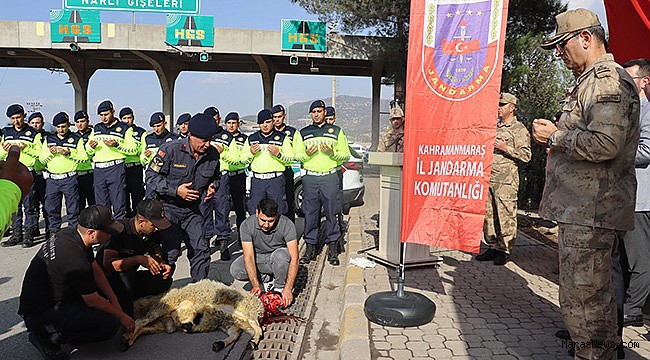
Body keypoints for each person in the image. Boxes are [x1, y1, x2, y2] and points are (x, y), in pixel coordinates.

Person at [532, 8, 640, 359]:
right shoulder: (591, 80)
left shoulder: (607, 80)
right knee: (589, 301)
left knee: (586, 304)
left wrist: (556, 137)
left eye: (562, 46)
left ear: (586, 38)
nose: (560, 55)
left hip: (592, 212)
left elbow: (605, 144)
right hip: (584, 211)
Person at [18, 205, 134, 360]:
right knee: (109, 325)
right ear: (92, 233)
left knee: (108, 283)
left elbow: (95, 268)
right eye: (108, 232)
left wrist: (115, 301)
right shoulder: (75, 260)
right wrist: (120, 316)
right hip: (41, 313)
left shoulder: (71, 234)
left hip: (56, 296)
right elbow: (92, 301)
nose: (110, 236)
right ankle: (45, 337)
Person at [145, 113, 220, 282]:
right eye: (203, 140)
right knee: (170, 251)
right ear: (191, 136)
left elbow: (216, 176)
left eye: (210, 140)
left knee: (201, 249)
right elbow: (150, 176)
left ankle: (199, 292)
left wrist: (213, 186)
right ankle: (160, 290)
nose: (207, 145)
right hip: (168, 208)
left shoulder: (213, 154)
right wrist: (176, 190)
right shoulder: (170, 150)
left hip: (192, 210)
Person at [476, 93, 531, 265]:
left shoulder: (519, 130)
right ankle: (492, 246)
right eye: (497, 104)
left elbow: (526, 155)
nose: (498, 107)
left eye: (502, 104)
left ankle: (505, 249)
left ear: (512, 107)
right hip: (489, 178)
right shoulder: (494, 127)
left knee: (505, 215)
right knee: (489, 215)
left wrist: (506, 148)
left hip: (506, 182)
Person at [294, 100, 350, 266]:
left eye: (319, 111)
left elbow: (345, 155)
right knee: (310, 213)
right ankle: (310, 247)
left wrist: (332, 153)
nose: (316, 114)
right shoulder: (303, 132)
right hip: (310, 178)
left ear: (325, 112)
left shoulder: (336, 131)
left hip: (329, 177)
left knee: (332, 212)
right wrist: (306, 155)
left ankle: (333, 248)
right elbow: (297, 155)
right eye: (314, 112)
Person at [97, 199, 173, 317]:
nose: (157, 228)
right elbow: (108, 263)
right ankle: (126, 316)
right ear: (142, 222)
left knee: (164, 279)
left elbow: (156, 255)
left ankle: (128, 297)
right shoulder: (121, 229)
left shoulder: (152, 233)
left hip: (131, 276)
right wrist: (139, 259)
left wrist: (162, 265)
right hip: (107, 279)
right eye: (154, 225)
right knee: (123, 275)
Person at [620, 58, 650, 327]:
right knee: (621, 258)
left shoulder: (647, 111)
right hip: (623, 196)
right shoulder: (628, 109)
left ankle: (634, 309)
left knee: (639, 258)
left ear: (644, 81)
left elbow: (646, 151)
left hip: (640, 199)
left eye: (630, 78)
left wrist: (612, 155)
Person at [230, 197, 298, 308]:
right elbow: (249, 257)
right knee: (236, 269)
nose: (266, 225)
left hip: (278, 258)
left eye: (271, 221)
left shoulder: (287, 224)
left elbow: (295, 258)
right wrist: (256, 286)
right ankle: (266, 280)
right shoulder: (246, 225)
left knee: (281, 256)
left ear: (277, 215)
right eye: (263, 220)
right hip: (259, 258)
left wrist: (288, 289)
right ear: (257, 213)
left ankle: (279, 287)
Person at [39, 112, 87, 243]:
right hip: (52, 179)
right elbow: (41, 159)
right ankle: (53, 238)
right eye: (58, 127)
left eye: (63, 126)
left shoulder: (76, 139)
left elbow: (84, 157)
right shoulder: (48, 139)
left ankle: (73, 239)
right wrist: (50, 153)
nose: (61, 129)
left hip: (69, 179)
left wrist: (69, 153)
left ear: (68, 125)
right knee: (52, 210)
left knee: (73, 210)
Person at [86, 100, 138, 220]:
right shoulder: (97, 128)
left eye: (106, 114)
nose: (103, 118)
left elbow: (134, 149)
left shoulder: (125, 128)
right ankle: (105, 235)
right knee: (102, 207)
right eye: (101, 115)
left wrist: (117, 146)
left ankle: (119, 235)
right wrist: (90, 146)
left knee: (119, 205)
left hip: (115, 168)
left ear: (113, 112)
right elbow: (88, 151)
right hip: (99, 169)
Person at [0, 104, 44, 247]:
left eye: (18, 117)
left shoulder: (33, 133)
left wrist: (26, 148)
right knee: (14, 207)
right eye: (13, 118)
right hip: (11, 174)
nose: (16, 121)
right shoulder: (6, 133)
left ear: (24, 116)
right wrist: (5, 151)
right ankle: (16, 234)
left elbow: (40, 154)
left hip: (27, 173)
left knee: (29, 206)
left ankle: (29, 235)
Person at [201, 109, 239, 261]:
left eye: (215, 118)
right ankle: (205, 243)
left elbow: (235, 158)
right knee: (204, 211)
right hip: (204, 179)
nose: (212, 121)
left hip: (221, 177)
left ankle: (223, 243)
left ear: (219, 119)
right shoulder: (201, 134)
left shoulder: (227, 137)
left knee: (222, 210)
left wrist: (222, 153)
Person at [242, 109, 294, 217]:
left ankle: (279, 233)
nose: (265, 125)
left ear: (273, 122)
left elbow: (291, 158)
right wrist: (251, 153)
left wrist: (279, 155)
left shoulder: (282, 138)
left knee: (279, 209)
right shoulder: (252, 138)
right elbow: (242, 160)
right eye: (261, 123)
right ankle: (256, 233)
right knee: (255, 210)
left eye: (267, 122)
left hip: (275, 180)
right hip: (258, 181)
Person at [323, 106, 346, 247]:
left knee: (336, 203)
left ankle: (338, 232)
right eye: (327, 119)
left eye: (331, 119)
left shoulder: (336, 133)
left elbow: (343, 154)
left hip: (336, 172)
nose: (329, 122)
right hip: (324, 175)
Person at [140, 112, 177, 199]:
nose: (156, 129)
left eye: (158, 126)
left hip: (168, 177)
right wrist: (146, 157)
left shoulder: (174, 138)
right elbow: (142, 159)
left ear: (165, 123)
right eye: (154, 126)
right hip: (153, 176)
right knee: (150, 204)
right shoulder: (148, 138)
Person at [272, 104, 299, 223]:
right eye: (274, 117)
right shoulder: (268, 132)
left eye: (279, 117)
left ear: (284, 116)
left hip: (287, 170)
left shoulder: (292, 132)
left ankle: (290, 230)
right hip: (273, 172)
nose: (277, 120)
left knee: (288, 202)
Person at [0, 145, 34, 236]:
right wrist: (10, 187)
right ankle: (16, 233)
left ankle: (28, 233)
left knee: (29, 208)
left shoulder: (34, 136)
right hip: (15, 180)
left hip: (22, 174)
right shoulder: (7, 134)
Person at [119, 107, 147, 217]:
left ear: (133, 118)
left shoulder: (141, 132)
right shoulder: (117, 132)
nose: (127, 121)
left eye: (129, 118)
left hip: (135, 168)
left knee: (137, 196)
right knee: (123, 196)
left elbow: (142, 150)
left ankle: (138, 218)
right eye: (124, 118)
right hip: (121, 168)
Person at [225, 112, 248, 233]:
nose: (231, 126)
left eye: (234, 123)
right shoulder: (221, 138)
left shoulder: (244, 139)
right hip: (223, 176)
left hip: (238, 176)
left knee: (240, 207)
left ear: (238, 124)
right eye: (229, 123)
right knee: (222, 208)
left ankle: (241, 235)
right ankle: (222, 236)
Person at [27, 112, 49, 241]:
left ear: (42, 124)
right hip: (30, 174)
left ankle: (49, 231)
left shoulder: (47, 137)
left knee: (47, 204)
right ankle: (33, 229)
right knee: (31, 203)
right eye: (33, 123)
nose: (35, 125)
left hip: (43, 175)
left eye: (38, 123)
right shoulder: (26, 137)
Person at [74, 110, 95, 209]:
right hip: (77, 174)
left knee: (93, 201)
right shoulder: (73, 137)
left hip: (91, 173)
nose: (80, 124)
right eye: (77, 122)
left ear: (88, 121)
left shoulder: (94, 135)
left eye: (82, 121)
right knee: (79, 203)